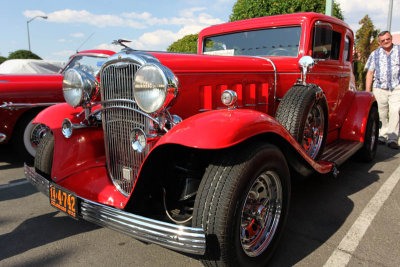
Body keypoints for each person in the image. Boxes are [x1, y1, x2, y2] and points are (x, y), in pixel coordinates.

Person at [365, 31, 400, 149]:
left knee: (395, 111)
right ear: (379, 42)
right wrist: (367, 91)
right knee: (381, 112)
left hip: (396, 87)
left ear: (391, 38)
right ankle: (381, 136)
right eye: (383, 40)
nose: (386, 41)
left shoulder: (399, 51)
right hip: (379, 87)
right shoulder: (375, 54)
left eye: (388, 39)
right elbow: (370, 73)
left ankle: (392, 138)